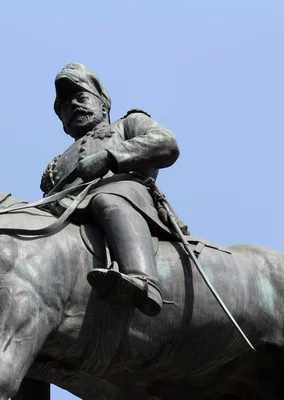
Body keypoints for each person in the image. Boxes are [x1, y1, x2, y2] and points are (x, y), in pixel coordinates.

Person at [41, 63, 185, 317]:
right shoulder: (56, 164)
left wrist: (111, 157)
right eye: (65, 107)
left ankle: (143, 282)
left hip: (130, 196)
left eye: (81, 97)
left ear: (104, 105)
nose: (73, 106)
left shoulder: (129, 123)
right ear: (63, 125)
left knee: (107, 199)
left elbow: (167, 143)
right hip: (73, 211)